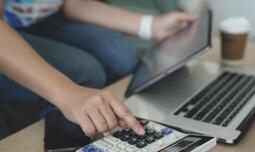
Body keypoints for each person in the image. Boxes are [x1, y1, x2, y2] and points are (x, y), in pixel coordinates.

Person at [0, 0, 197, 138]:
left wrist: (152, 26)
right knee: (84, 71)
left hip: (44, 22)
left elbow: (74, 4)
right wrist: (66, 92)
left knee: (122, 55)